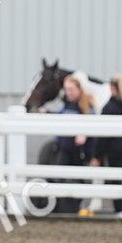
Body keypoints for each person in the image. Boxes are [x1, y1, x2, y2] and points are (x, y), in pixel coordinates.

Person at [90, 73, 122, 217]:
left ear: (113, 88)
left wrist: (97, 155)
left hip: (115, 150)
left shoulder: (109, 107)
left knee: (116, 180)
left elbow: (104, 136)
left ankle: (119, 210)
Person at [53, 73, 95, 214]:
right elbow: (58, 117)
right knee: (59, 176)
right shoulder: (66, 104)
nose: (68, 93)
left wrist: (85, 134)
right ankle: (60, 208)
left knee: (78, 178)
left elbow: (94, 124)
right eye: (66, 89)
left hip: (79, 151)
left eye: (71, 89)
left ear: (79, 89)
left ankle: (76, 208)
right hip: (65, 147)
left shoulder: (86, 106)